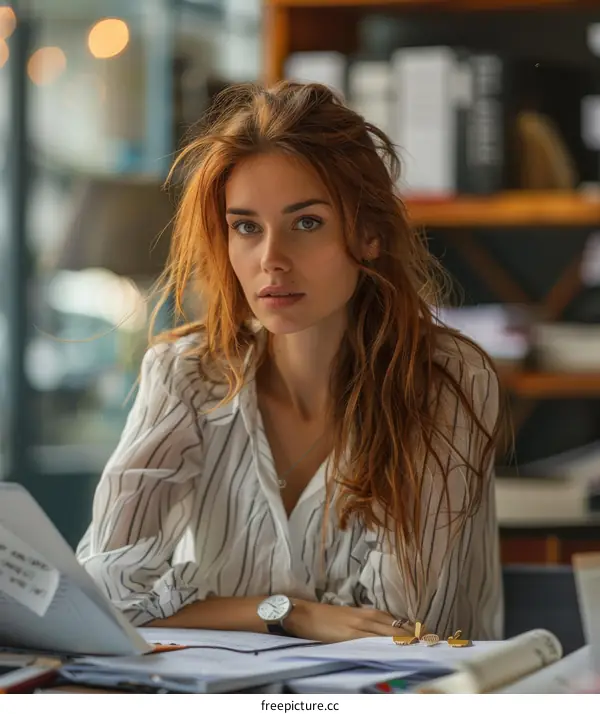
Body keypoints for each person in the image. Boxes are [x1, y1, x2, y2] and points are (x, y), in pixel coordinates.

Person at [77, 81, 504, 643]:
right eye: (246, 227)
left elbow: (401, 624)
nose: (271, 260)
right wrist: (284, 612)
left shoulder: (446, 379)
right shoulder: (186, 375)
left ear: (369, 233)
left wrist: (208, 607)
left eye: (307, 223)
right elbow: (105, 588)